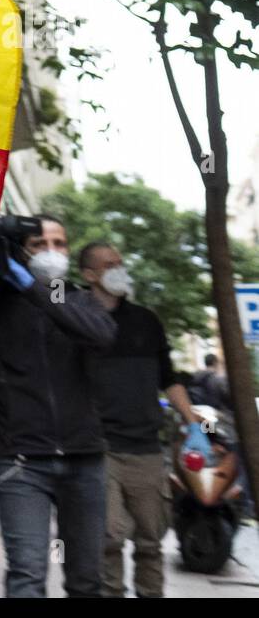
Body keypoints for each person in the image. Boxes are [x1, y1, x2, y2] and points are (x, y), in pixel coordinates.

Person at [0, 214, 117, 597]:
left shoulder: (80, 299)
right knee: (26, 575)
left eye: (59, 243)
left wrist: (29, 286)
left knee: (87, 579)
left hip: (85, 460)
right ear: (21, 252)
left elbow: (100, 336)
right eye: (40, 244)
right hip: (21, 462)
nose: (51, 251)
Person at [77, 242, 201, 598]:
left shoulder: (146, 321)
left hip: (146, 449)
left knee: (150, 541)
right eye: (109, 264)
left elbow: (169, 379)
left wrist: (194, 424)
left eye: (120, 262)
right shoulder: (76, 320)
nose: (119, 269)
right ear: (89, 275)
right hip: (99, 449)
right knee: (109, 537)